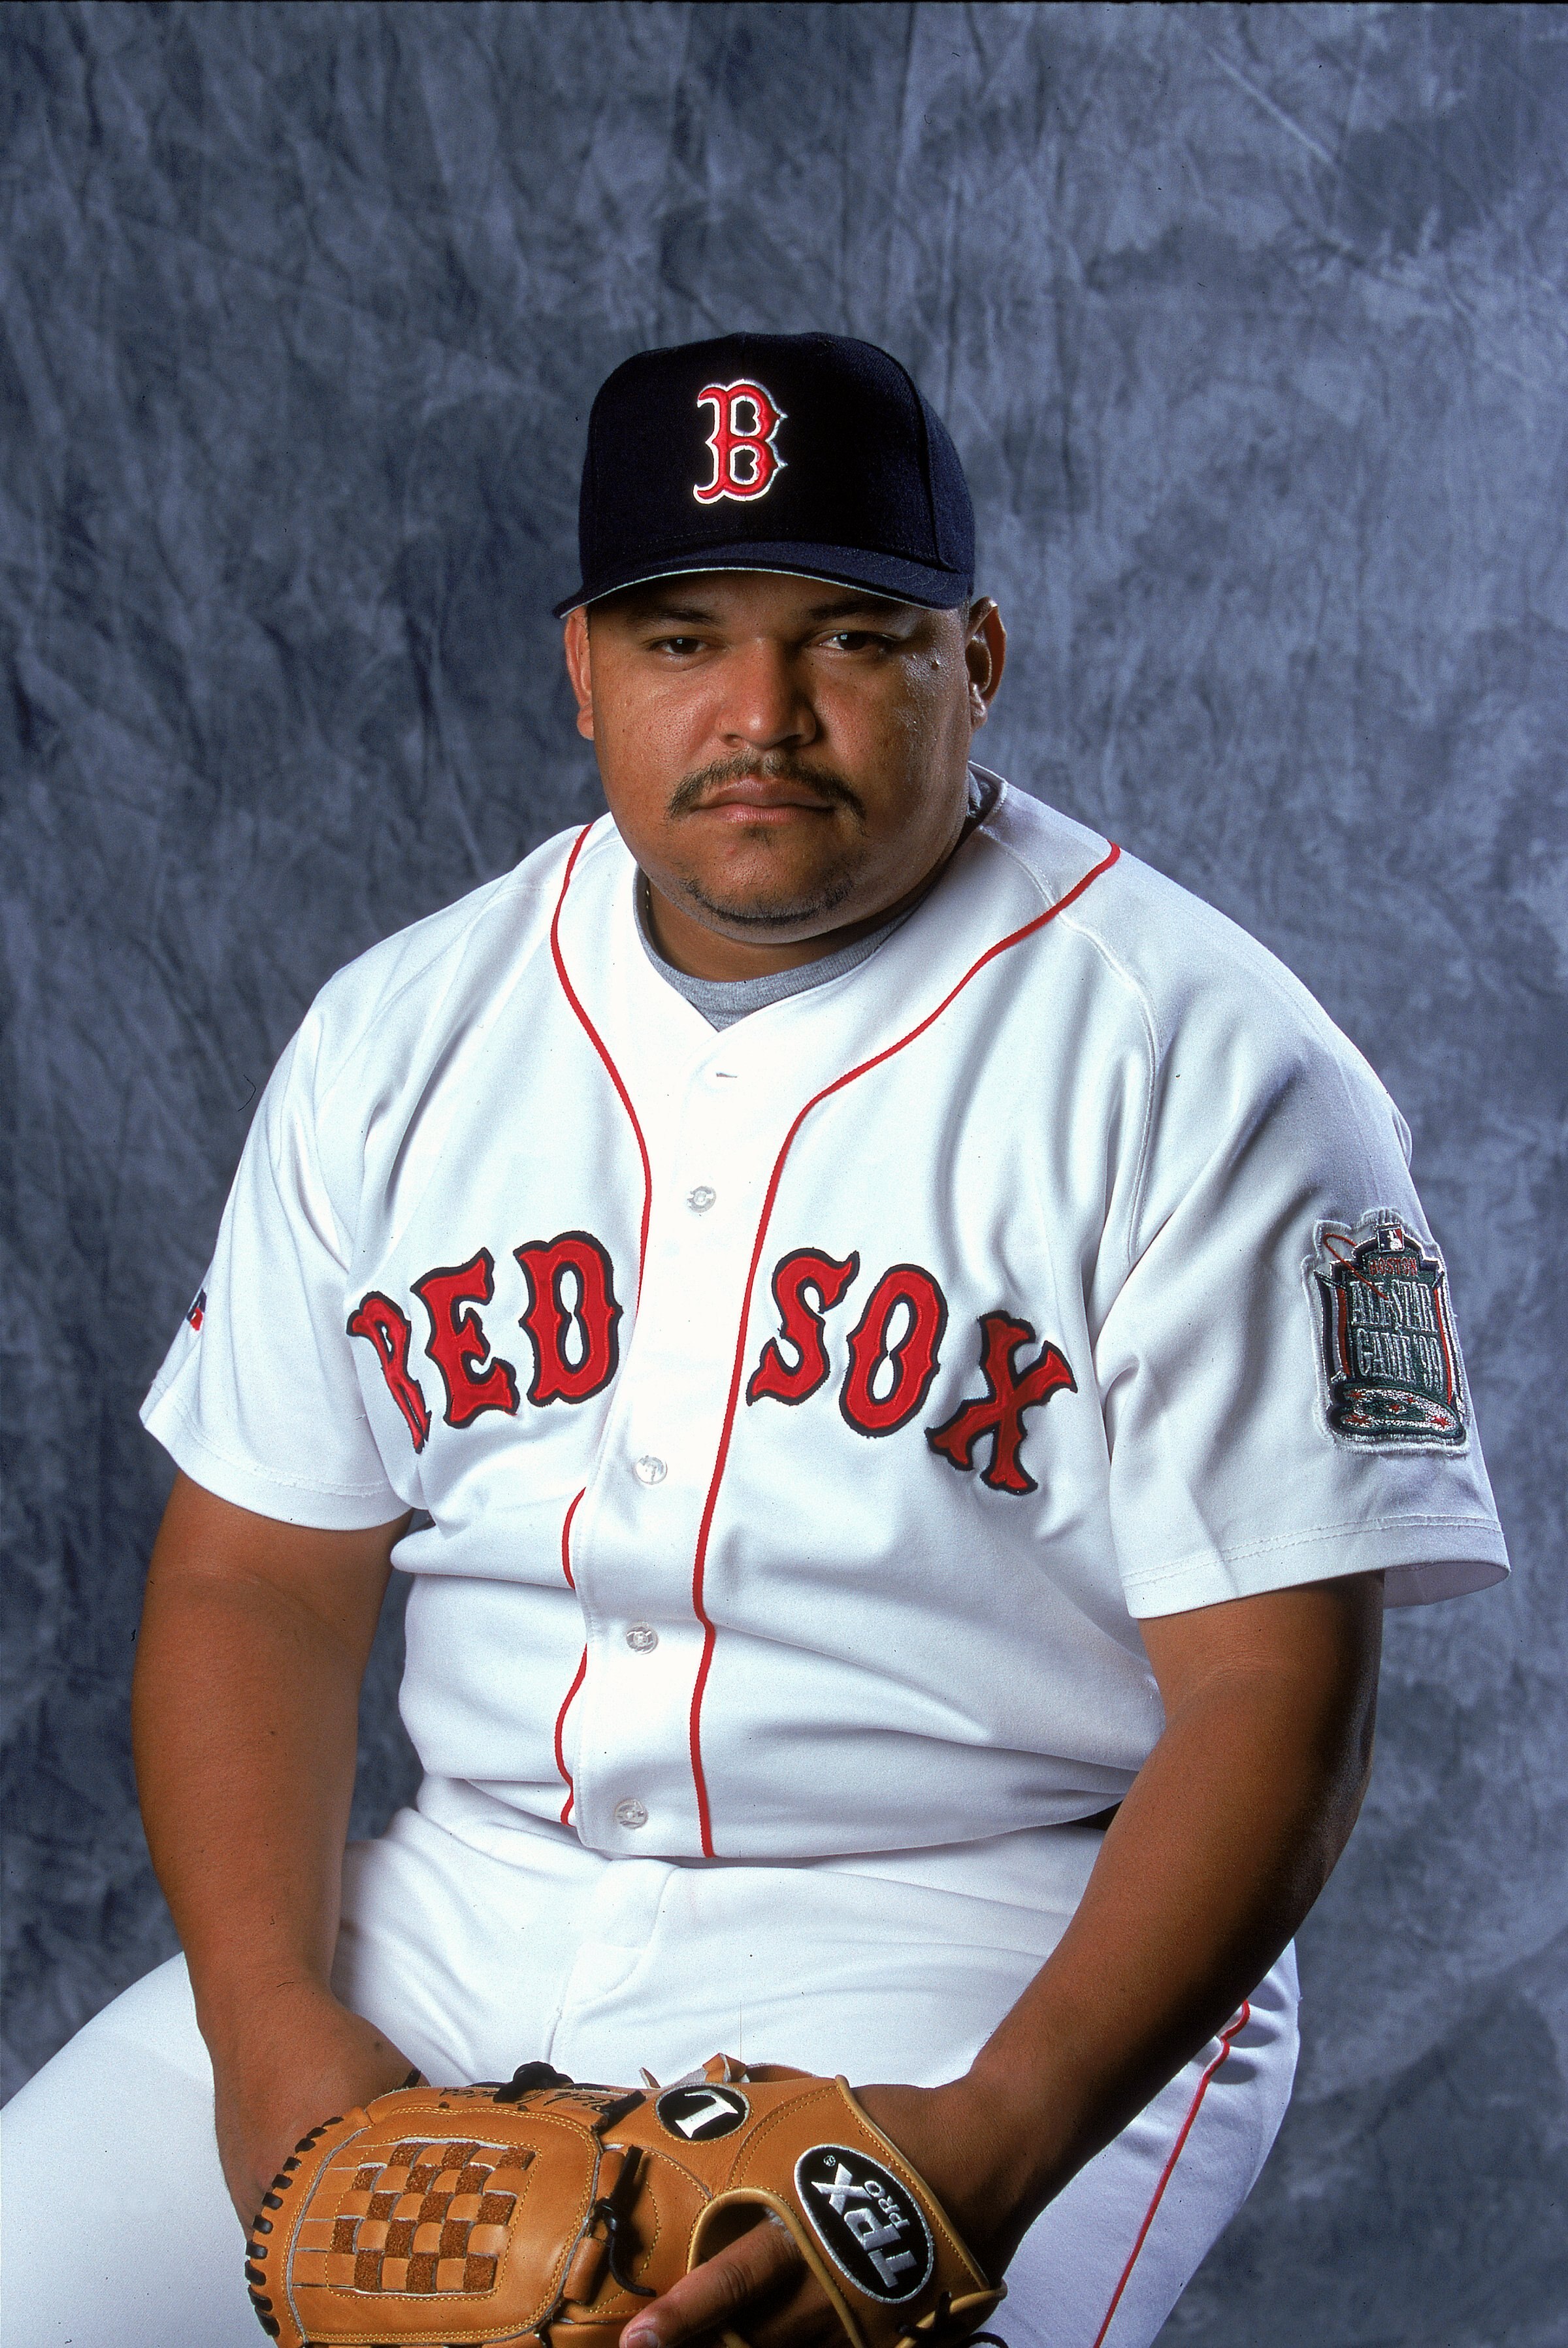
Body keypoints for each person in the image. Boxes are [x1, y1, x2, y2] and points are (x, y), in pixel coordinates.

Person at [0, 332, 1508, 2348]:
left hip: (988, 1935)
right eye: (683, 635)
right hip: (459, 1898)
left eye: (851, 638)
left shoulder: (1209, 1063)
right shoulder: (402, 1032)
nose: (761, 715)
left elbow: (1275, 1703)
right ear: (581, 670)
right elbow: (259, 1575)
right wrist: (275, 2043)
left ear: (978, 659)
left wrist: (974, 2160)